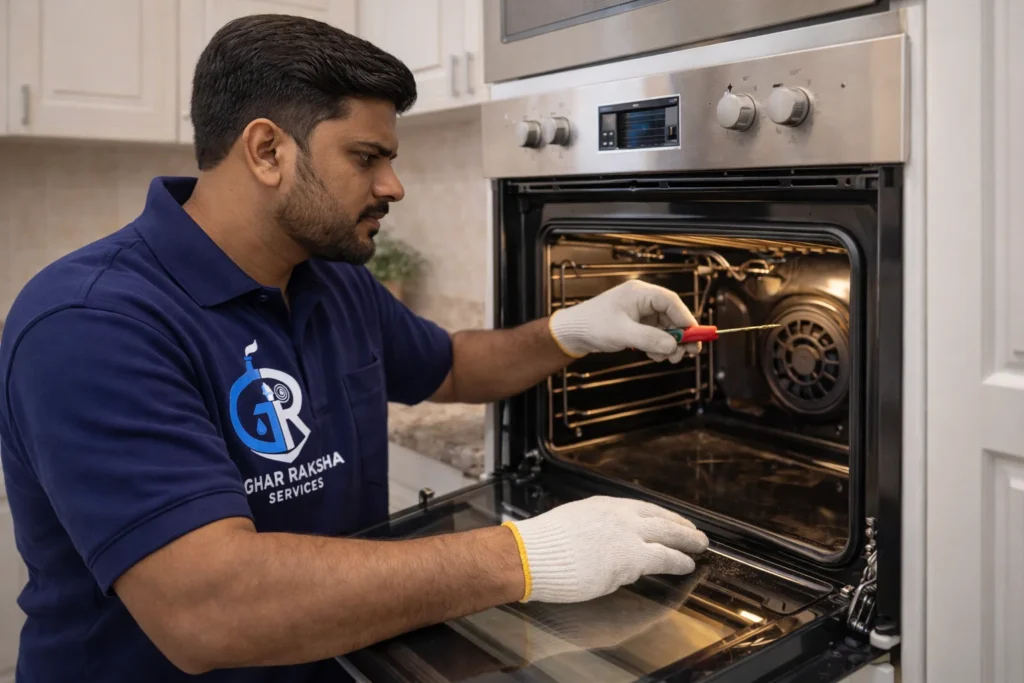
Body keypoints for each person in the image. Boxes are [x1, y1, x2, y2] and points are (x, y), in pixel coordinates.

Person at [0, 14, 709, 683]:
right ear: (268, 151)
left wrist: (570, 330)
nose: (392, 185)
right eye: (367, 157)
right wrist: (525, 555)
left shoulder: (331, 280)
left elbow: (454, 363)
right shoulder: (89, 324)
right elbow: (207, 608)